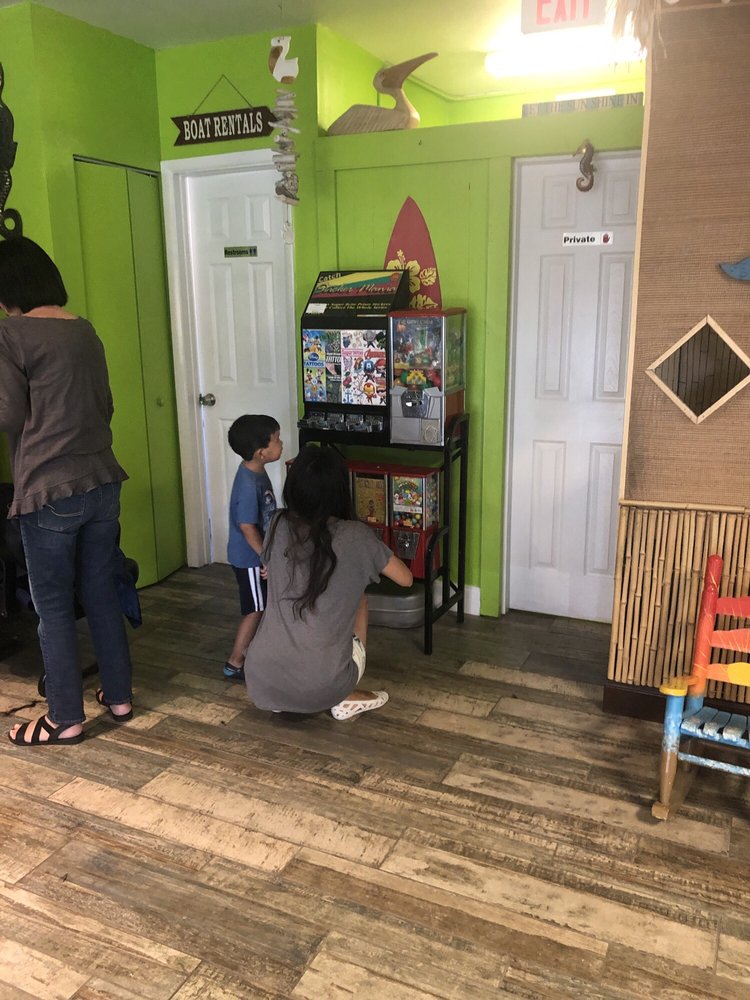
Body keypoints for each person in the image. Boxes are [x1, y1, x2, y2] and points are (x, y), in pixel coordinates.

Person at [0, 236, 132, 745]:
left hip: (48, 490)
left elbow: (8, 413)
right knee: (100, 593)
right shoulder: (84, 330)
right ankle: (119, 697)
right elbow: (106, 405)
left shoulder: (12, 333)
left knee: (52, 606)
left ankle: (64, 718)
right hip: (102, 480)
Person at [244, 445, 413, 719]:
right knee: (360, 598)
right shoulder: (356, 535)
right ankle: (344, 696)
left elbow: (272, 567)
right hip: (323, 686)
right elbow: (405, 579)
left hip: (261, 679)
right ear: (340, 489)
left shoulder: (277, 522)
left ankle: (284, 697)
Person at [223, 414, 283, 680]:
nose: (281, 443)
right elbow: (247, 526)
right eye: (276, 440)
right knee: (255, 609)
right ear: (261, 452)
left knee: (264, 605)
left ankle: (255, 655)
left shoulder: (256, 472)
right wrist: (265, 557)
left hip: (257, 555)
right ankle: (235, 662)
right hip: (249, 559)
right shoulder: (248, 484)